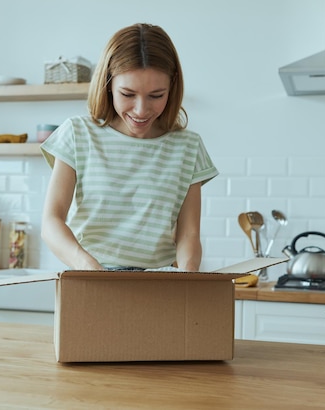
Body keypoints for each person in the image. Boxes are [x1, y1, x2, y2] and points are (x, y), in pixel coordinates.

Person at [40, 23, 218, 271]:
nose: (141, 110)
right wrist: (92, 269)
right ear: (108, 84)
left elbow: (188, 236)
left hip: (159, 288)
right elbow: (51, 221)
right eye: (127, 94)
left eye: (156, 95)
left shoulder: (188, 147)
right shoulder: (77, 134)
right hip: (90, 281)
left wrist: (186, 284)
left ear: (172, 86)